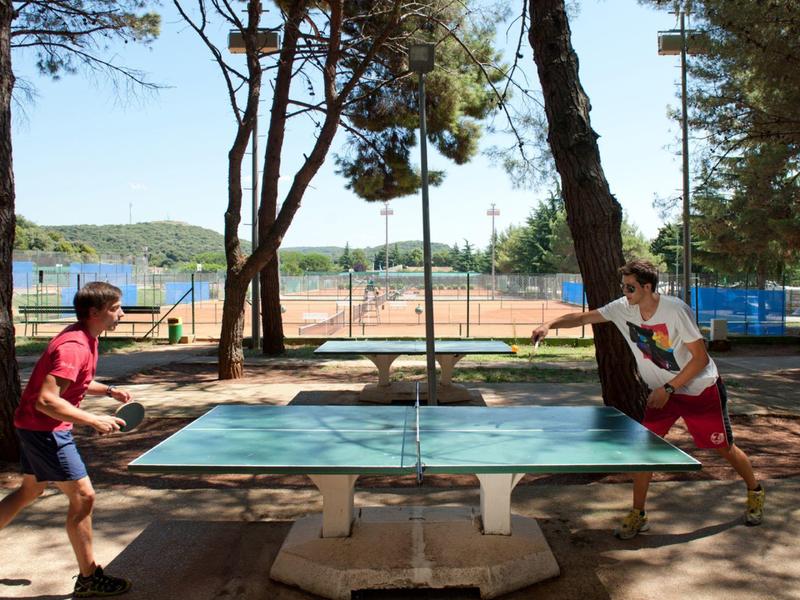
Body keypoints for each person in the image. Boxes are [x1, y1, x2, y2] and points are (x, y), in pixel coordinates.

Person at [531, 259, 764, 539]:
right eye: (623, 287)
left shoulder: (675, 310)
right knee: (643, 452)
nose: (625, 293)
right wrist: (548, 324)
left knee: (724, 447)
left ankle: (755, 491)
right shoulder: (622, 308)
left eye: (630, 288)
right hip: (663, 395)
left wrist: (669, 389)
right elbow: (582, 318)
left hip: (699, 389)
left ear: (647, 287)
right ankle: (638, 514)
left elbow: (701, 358)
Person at [0, 282, 134, 596]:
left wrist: (109, 391)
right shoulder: (73, 345)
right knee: (84, 497)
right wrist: (93, 420)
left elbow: (76, 381)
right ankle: (89, 577)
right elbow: (47, 400)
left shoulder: (85, 338)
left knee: (29, 492)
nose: (122, 314)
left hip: (34, 427)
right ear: (95, 312)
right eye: (116, 308)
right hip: (46, 431)